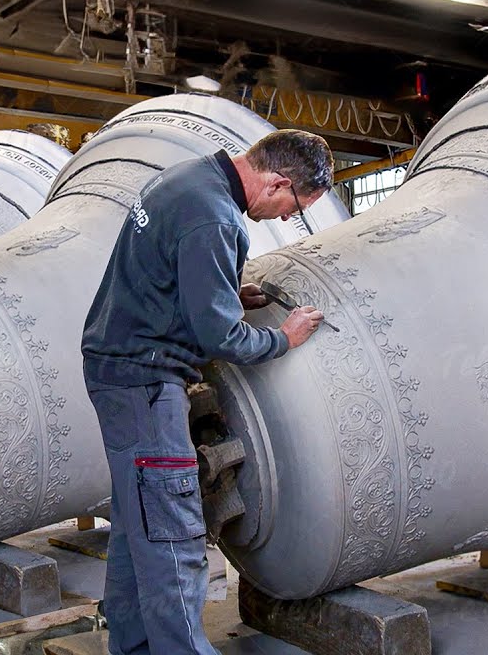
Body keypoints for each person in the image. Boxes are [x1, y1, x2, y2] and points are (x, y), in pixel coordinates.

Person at [81, 129, 333, 654]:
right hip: (146, 383)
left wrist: (218, 288)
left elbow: (163, 273)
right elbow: (219, 336)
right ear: (276, 181)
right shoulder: (214, 216)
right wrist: (282, 339)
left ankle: (131, 647)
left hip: (115, 370)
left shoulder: (189, 178)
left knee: (136, 524)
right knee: (172, 533)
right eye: (293, 204)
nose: (287, 217)